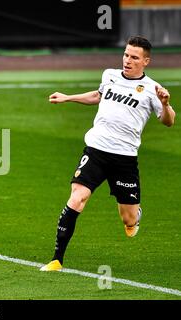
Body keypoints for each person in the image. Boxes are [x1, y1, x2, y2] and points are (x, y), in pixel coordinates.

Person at [40, 36, 176, 272]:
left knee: (129, 220)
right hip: (96, 150)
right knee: (77, 197)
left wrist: (164, 103)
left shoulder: (153, 89)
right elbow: (99, 95)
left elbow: (169, 121)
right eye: (125, 54)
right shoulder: (109, 75)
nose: (128, 60)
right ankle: (56, 259)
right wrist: (68, 97)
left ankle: (136, 215)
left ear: (146, 61)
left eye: (134, 57)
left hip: (124, 159)